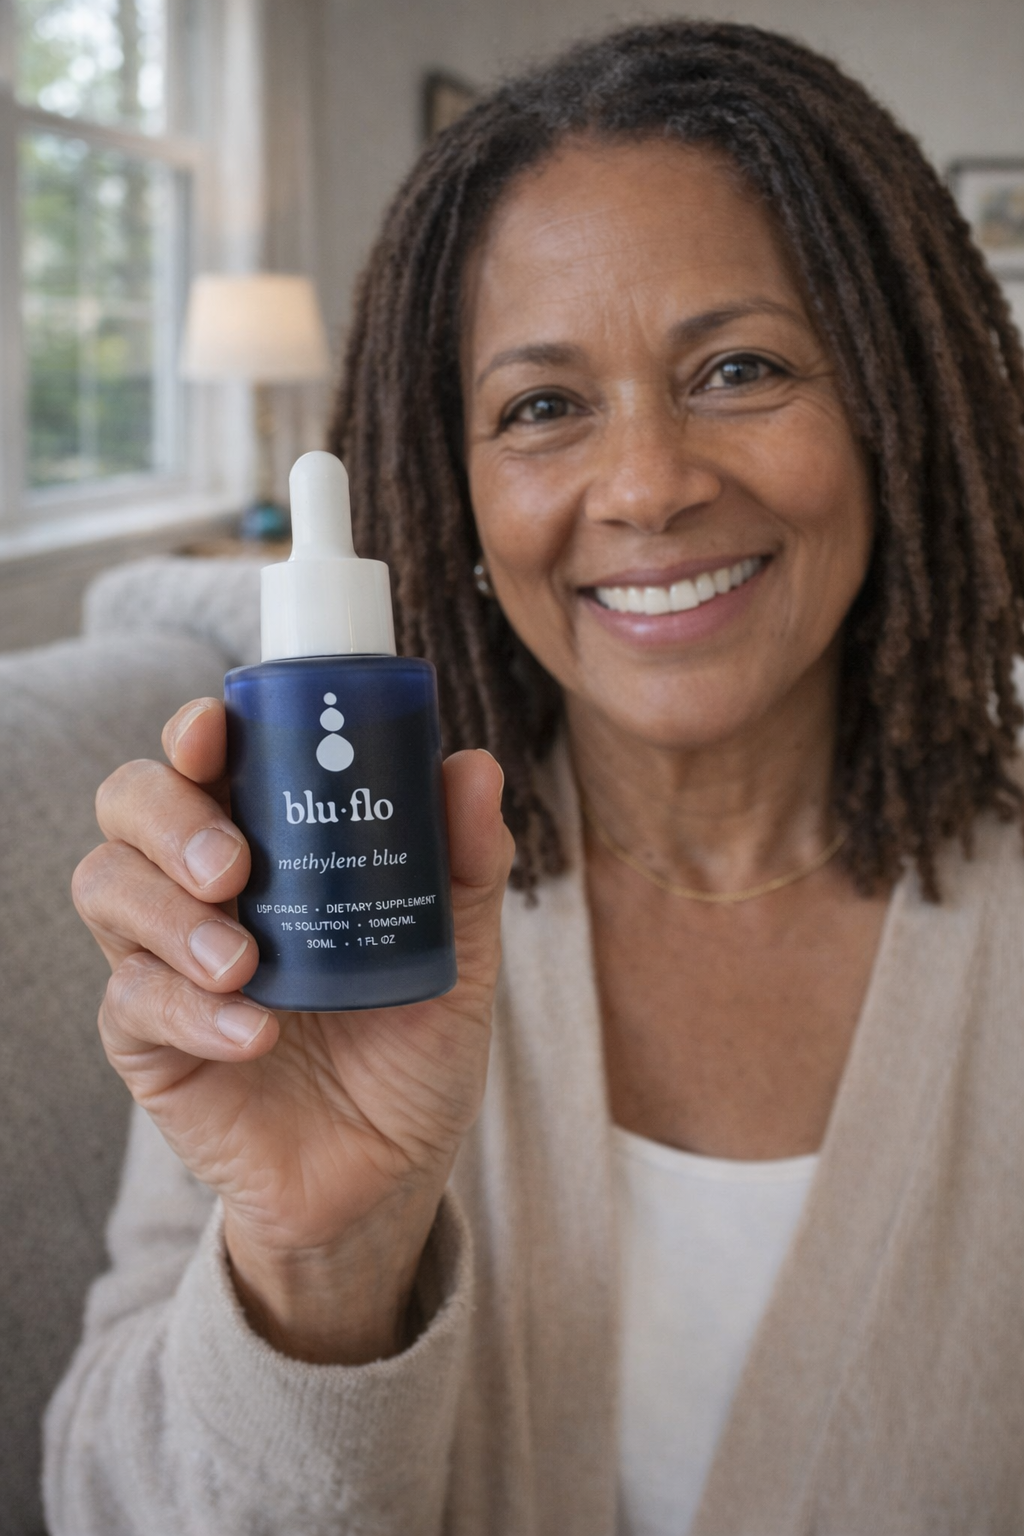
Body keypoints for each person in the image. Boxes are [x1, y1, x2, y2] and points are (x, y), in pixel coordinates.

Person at [46, 19, 1024, 1536]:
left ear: (896, 406)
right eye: (543, 406)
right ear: (456, 486)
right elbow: (103, 1503)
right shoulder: (319, 898)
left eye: (741, 367)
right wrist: (320, 1264)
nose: (645, 486)